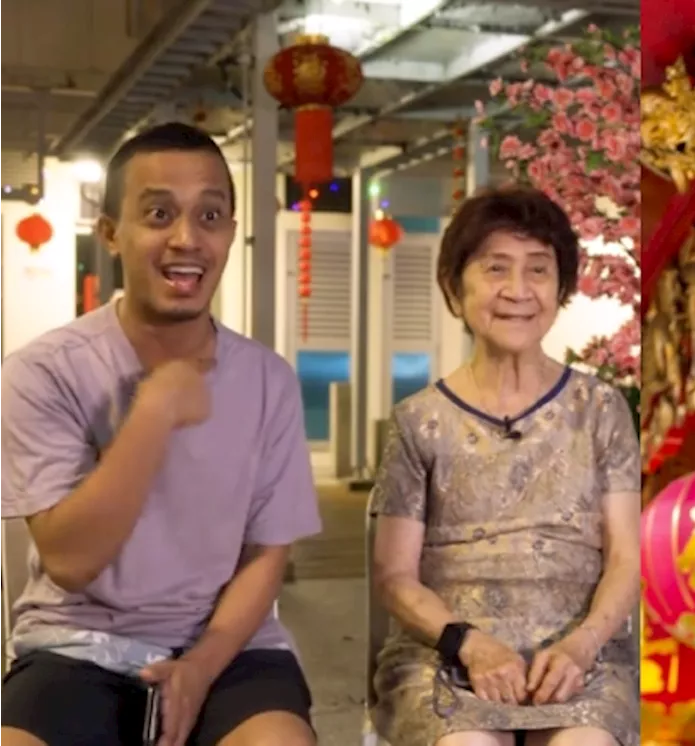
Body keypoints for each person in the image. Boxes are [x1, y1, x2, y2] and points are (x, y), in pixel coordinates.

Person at [0, 122, 321, 746]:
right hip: (76, 646)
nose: (187, 239)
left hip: (230, 648)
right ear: (113, 235)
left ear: (231, 232)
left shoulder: (268, 381)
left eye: (210, 215)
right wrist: (154, 414)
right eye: (158, 213)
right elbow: (68, 561)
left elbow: (266, 555)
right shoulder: (44, 372)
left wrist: (200, 668)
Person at [370, 186, 641, 746]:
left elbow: (627, 557)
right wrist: (468, 644)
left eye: (538, 271)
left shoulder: (603, 411)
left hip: (579, 661)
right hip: (445, 660)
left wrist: (581, 645)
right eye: (496, 269)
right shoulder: (418, 421)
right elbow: (394, 577)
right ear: (455, 287)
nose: (518, 291)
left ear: (561, 288)